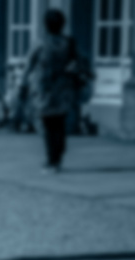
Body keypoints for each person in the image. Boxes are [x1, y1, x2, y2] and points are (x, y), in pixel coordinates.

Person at [24, 8, 91, 171]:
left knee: (48, 124)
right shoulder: (69, 42)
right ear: (63, 24)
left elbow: (29, 65)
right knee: (60, 123)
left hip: (44, 87)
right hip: (63, 86)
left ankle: (51, 159)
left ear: (45, 24)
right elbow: (81, 62)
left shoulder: (40, 42)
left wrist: (22, 84)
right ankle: (58, 156)